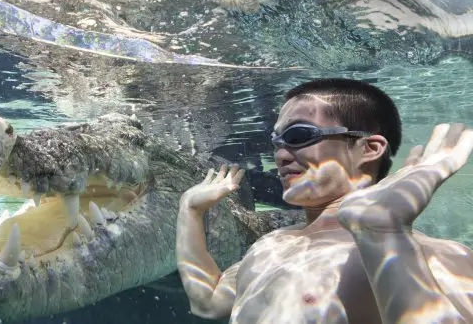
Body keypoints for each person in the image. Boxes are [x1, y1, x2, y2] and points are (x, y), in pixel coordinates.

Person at [176, 78, 473, 323]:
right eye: (276, 141)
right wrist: (190, 209)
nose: (279, 155)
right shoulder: (271, 246)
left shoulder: (434, 256)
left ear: (368, 149)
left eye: (298, 135)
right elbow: (208, 302)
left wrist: (383, 233)